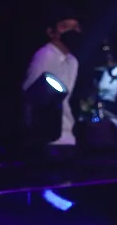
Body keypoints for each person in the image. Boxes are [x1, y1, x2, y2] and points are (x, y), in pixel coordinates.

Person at [23, 11, 83, 146]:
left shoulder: (73, 61)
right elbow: (29, 96)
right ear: (51, 32)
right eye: (65, 26)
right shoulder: (45, 55)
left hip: (67, 136)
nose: (72, 31)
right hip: (48, 138)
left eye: (76, 27)